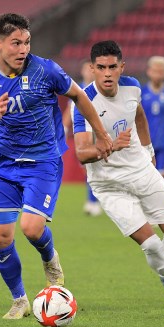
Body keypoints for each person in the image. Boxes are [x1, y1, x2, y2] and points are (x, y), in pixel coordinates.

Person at [0, 13, 113, 320]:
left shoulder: (46, 70)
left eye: (27, 42)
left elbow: (78, 95)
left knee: (31, 228)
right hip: (2, 165)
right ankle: (19, 300)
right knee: (1, 238)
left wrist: (101, 134)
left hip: (43, 161)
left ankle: (50, 260)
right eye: (16, 43)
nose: (23, 49)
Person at [71, 40, 164, 308]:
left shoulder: (133, 87)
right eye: (101, 67)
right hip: (108, 184)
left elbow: (139, 114)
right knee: (151, 245)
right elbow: (81, 154)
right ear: (92, 69)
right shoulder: (82, 102)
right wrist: (110, 146)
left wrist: (149, 149)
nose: (107, 73)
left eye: (112, 67)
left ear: (122, 67)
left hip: (141, 170)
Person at [64, 60, 102, 216]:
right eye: (86, 69)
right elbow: (69, 110)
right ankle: (93, 201)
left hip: (99, 131)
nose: (88, 72)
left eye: (91, 69)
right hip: (82, 131)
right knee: (89, 167)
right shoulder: (76, 88)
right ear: (82, 71)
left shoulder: (101, 89)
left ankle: (96, 201)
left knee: (99, 167)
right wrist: (64, 128)